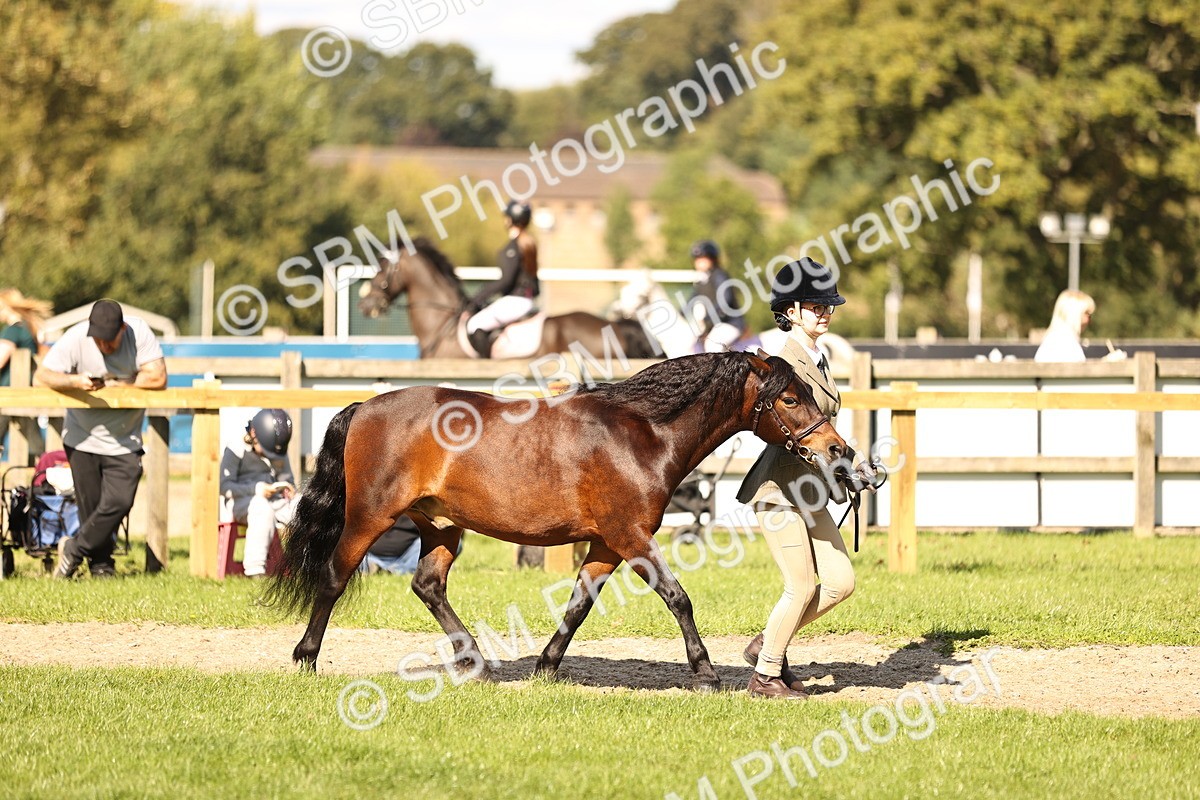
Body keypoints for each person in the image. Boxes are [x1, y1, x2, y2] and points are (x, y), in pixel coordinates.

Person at [735, 257, 878, 699]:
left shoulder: (817, 356)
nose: (824, 312)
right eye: (814, 305)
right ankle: (765, 676)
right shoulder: (782, 360)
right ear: (790, 311)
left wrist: (853, 466)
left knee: (840, 583)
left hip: (810, 489)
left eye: (828, 305)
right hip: (778, 489)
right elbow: (793, 427)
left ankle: (769, 644)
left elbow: (821, 429)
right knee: (800, 586)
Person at [34, 299, 167, 578]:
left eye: (110, 340)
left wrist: (122, 384)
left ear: (123, 328)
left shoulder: (139, 332)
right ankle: (101, 566)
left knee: (119, 502)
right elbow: (42, 376)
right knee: (92, 509)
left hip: (125, 439)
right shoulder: (76, 336)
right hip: (81, 437)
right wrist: (75, 381)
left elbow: (158, 378)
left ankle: (74, 550)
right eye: (99, 341)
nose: (104, 346)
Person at [220, 409, 297, 578]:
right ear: (254, 434)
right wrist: (257, 489)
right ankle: (255, 570)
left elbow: (288, 479)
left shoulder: (277, 449)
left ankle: (309, 565)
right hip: (242, 501)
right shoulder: (235, 449)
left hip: (275, 499)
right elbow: (225, 486)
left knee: (303, 505)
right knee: (261, 507)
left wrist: (288, 488)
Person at [465, 199, 540, 357]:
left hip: (515, 301)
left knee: (473, 324)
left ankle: (488, 367)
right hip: (527, 300)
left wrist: (477, 297)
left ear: (511, 219)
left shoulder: (514, 247)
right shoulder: (529, 243)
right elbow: (535, 284)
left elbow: (506, 281)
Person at [0, 289, 52, 458]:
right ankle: (42, 474)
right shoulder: (28, 327)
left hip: (8, 393)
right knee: (33, 440)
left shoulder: (13, 331)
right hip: (26, 391)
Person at [686, 240, 746, 352]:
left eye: (704, 258)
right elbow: (690, 300)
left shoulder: (719, 275)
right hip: (713, 324)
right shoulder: (701, 280)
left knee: (712, 344)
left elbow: (725, 299)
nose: (700, 262)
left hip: (730, 323)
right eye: (697, 259)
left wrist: (707, 317)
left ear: (713, 259)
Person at [1034, 289, 1126, 362]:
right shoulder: (1064, 341)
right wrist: (1107, 364)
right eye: (1087, 314)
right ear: (1074, 313)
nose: (1088, 321)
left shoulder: (1055, 339)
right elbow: (1077, 378)